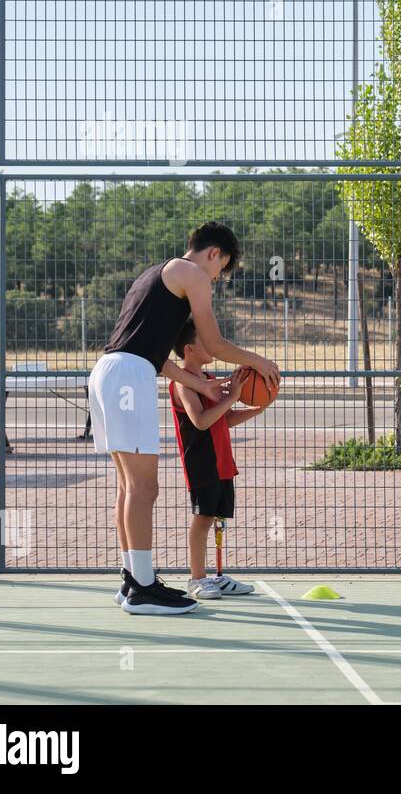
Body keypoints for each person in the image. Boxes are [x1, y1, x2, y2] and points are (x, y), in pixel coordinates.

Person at [88, 222, 280, 615]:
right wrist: (260, 360)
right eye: (220, 269)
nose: (215, 278)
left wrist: (203, 384)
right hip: (129, 375)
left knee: (128, 486)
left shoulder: (153, 275)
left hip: (110, 371)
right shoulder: (192, 273)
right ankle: (143, 588)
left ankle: (131, 580)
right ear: (214, 254)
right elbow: (212, 343)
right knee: (144, 488)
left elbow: (152, 353)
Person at [168, 317, 264, 598]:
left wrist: (257, 408)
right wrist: (231, 397)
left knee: (217, 516)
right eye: (205, 341)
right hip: (201, 461)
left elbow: (225, 418)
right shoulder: (183, 384)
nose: (212, 344)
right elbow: (200, 421)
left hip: (222, 459)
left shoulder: (209, 380)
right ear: (189, 350)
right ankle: (197, 578)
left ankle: (218, 576)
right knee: (203, 518)